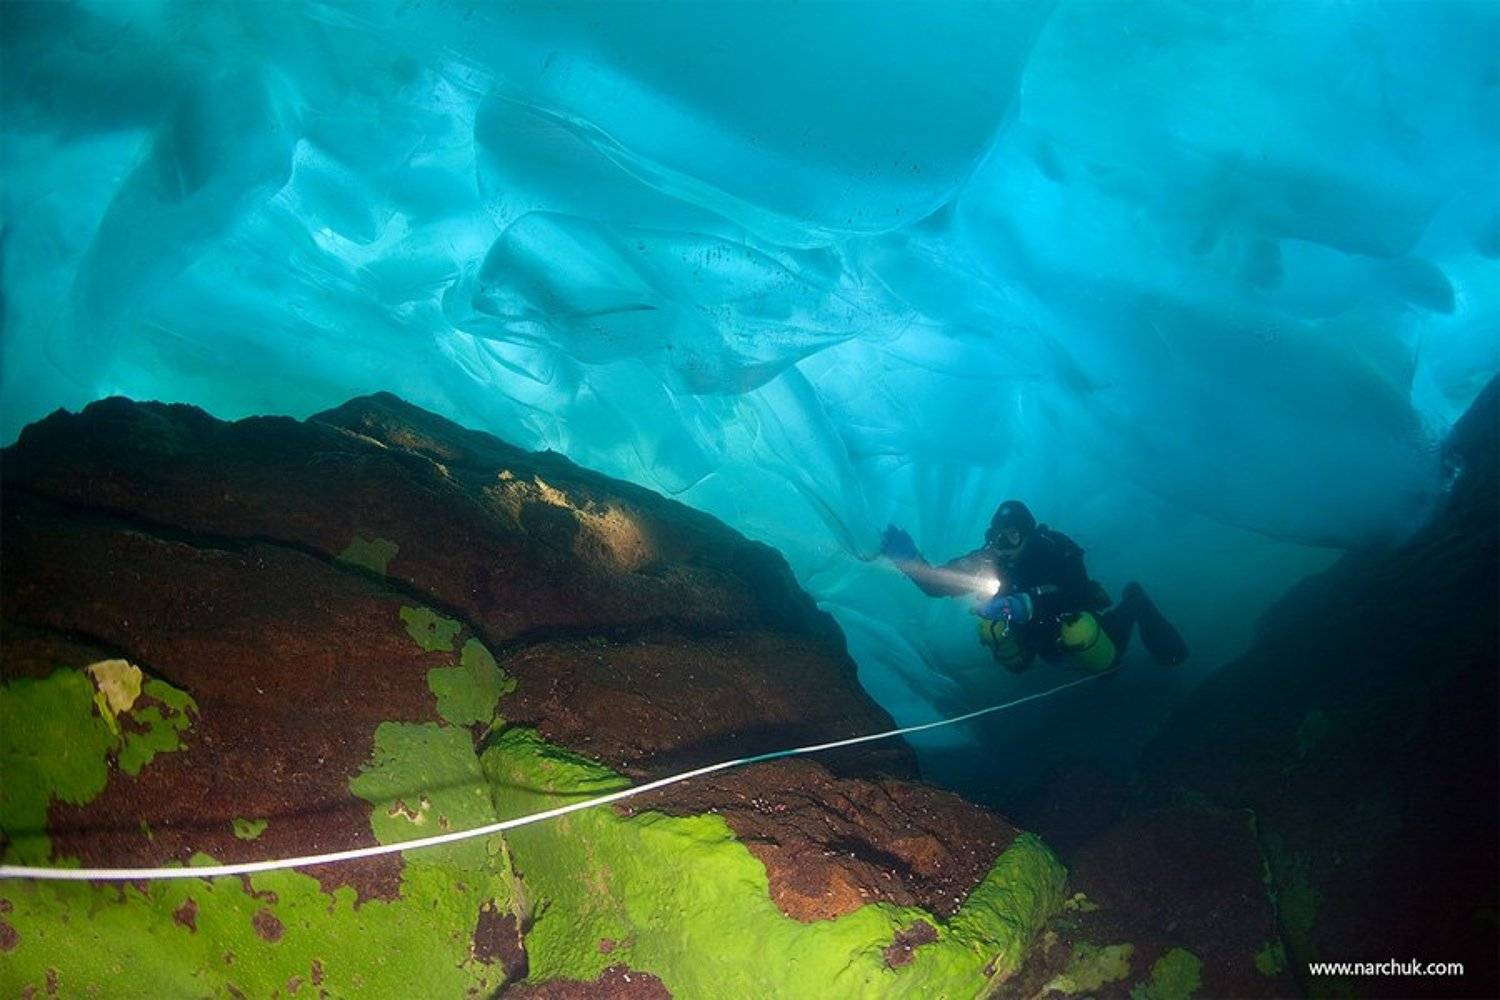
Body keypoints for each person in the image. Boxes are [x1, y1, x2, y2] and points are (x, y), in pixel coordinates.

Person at [880, 500, 1188, 674]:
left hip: (1069, 623)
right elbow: (937, 586)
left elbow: (1077, 589)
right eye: (996, 536)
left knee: (1099, 654)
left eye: (1011, 535)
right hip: (1033, 638)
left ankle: (1135, 600)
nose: (1002, 544)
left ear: (1027, 534)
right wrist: (910, 561)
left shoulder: (1053, 549)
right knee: (992, 634)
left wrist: (1026, 603)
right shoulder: (987, 559)